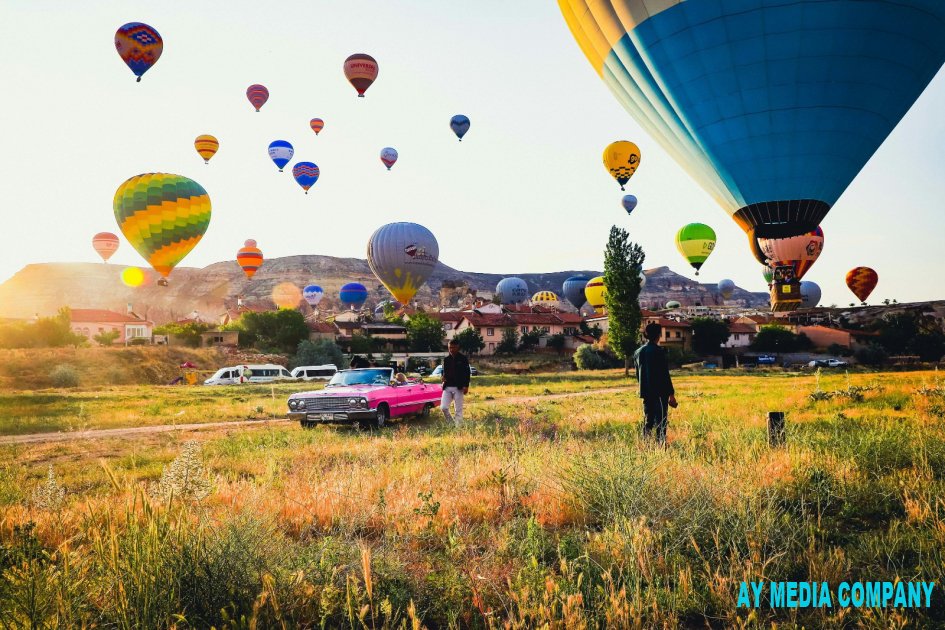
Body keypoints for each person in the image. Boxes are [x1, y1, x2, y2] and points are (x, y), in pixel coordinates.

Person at [633, 322, 677, 445]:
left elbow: (638, 375)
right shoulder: (658, 351)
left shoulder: (638, 352)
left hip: (646, 392)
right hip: (660, 393)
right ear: (659, 335)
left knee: (648, 421)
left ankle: (645, 444)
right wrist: (671, 395)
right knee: (661, 422)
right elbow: (664, 374)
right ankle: (660, 445)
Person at [440, 339, 470, 427]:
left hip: (459, 387)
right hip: (447, 386)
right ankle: (451, 423)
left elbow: (467, 373)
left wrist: (466, 385)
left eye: (453, 347)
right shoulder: (446, 359)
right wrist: (443, 377)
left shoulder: (463, 359)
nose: (451, 349)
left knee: (458, 410)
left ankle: (458, 428)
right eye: (449, 348)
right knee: (444, 407)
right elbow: (444, 372)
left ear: (458, 347)